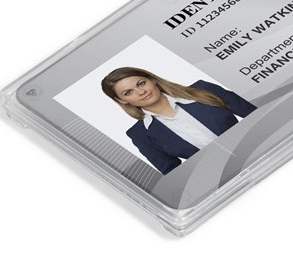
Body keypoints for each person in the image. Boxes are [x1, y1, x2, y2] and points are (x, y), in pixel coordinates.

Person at [101, 66, 256, 175]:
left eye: (141, 83)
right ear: (121, 100)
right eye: (128, 92)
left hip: (261, 150)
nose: (141, 92)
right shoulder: (140, 134)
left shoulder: (203, 90)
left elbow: (258, 115)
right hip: (228, 178)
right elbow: (176, 175)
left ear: (152, 80)